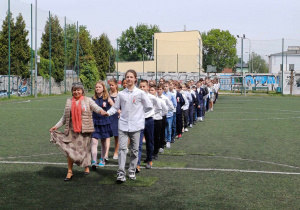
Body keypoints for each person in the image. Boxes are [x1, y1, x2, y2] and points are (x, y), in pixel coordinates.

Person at [49, 82, 107, 181]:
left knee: (85, 150)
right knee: (70, 151)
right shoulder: (68, 101)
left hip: (84, 130)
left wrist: (101, 111)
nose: (76, 92)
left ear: (82, 91)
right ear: (72, 91)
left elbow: (95, 107)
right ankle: (70, 171)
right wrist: (56, 126)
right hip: (71, 131)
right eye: (74, 90)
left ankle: (86, 166)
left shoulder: (88, 100)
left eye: (78, 90)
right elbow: (64, 117)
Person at [106, 69, 152, 183]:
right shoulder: (121, 94)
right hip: (123, 125)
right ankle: (121, 173)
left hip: (136, 127)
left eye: (131, 77)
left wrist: (141, 116)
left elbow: (149, 106)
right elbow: (115, 108)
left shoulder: (140, 93)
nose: (129, 79)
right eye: (127, 77)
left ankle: (132, 170)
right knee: (122, 149)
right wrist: (107, 112)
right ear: (125, 79)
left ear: (135, 79)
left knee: (135, 150)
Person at [91, 81, 114, 169]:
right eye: (96, 87)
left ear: (103, 88)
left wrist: (120, 112)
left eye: (99, 87)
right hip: (95, 122)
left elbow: (114, 107)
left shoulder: (107, 98)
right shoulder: (92, 99)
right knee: (94, 141)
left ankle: (102, 159)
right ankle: (94, 161)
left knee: (103, 142)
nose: (97, 89)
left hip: (104, 122)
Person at [149, 85, 167, 160]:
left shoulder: (160, 100)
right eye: (150, 90)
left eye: (152, 90)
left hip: (157, 120)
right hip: (149, 120)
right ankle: (149, 153)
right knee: (150, 137)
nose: (150, 92)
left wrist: (160, 116)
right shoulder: (148, 100)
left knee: (156, 137)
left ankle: (155, 152)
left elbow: (165, 110)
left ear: (156, 91)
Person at [108, 78, 120, 160]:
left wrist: (120, 113)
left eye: (112, 85)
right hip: (109, 117)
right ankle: (106, 153)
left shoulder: (120, 94)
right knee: (107, 136)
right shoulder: (108, 94)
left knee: (117, 136)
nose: (111, 86)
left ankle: (116, 152)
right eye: (110, 85)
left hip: (117, 117)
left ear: (116, 85)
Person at [163, 81, 177, 148]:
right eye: (164, 86)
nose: (165, 87)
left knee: (169, 128)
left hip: (169, 115)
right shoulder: (161, 94)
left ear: (169, 87)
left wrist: (169, 109)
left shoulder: (171, 95)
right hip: (162, 115)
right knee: (164, 128)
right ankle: (165, 139)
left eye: (166, 86)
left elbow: (174, 104)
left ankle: (168, 141)